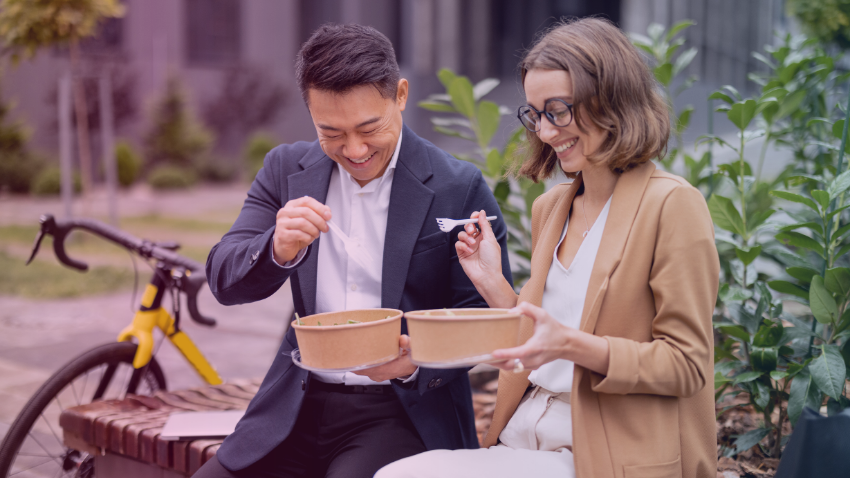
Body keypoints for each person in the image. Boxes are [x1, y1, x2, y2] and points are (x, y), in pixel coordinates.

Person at [376, 17, 719, 478]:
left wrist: (574, 346)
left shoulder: (673, 205)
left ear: (610, 98)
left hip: (605, 449)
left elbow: (687, 364)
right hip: (524, 431)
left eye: (557, 110)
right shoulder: (552, 207)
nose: (544, 131)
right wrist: (494, 286)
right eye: (535, 114)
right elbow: (539, 340)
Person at [194, 24, 512, 478]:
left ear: (400, 95)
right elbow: (225, 281)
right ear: (310, 111)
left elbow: (484, 317)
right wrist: (277, 247)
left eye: (369, 128)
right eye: (332, 133)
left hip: (402, 411)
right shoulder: (285, 170)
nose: (355, 149)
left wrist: (415, 362)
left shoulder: (457, 187)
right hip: (295, 404)